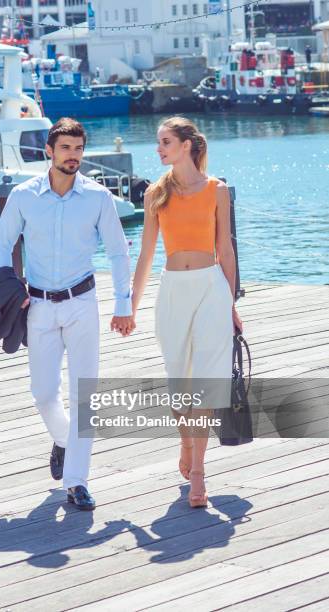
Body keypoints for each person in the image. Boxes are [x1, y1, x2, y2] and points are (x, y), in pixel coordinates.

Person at [0, 118, 135, 511]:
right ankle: (63, 440)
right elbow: (3, 244)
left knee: (83, 393)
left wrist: (124, 304)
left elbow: (119, 252)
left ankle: (77, 481)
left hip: (82, 305)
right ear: (49, 153)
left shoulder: (98, 197)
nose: (73, 156)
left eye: (78, 149)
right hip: (36, 306)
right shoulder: (24, 196)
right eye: (66, 149)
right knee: (42, 393)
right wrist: (9, 286)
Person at [131, 116, 243, 508]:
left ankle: (198, 473)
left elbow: (225, 250)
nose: (159, 149)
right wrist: (130, 305)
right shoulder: (155, 193)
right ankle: (186, 443)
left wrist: (231, 304)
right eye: (159, 142)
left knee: (206, 382)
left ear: (186, 145)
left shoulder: (218, 190)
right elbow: (146, 254)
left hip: (211, 289)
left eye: (165, 141)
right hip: (173, 290)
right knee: (179, 382)